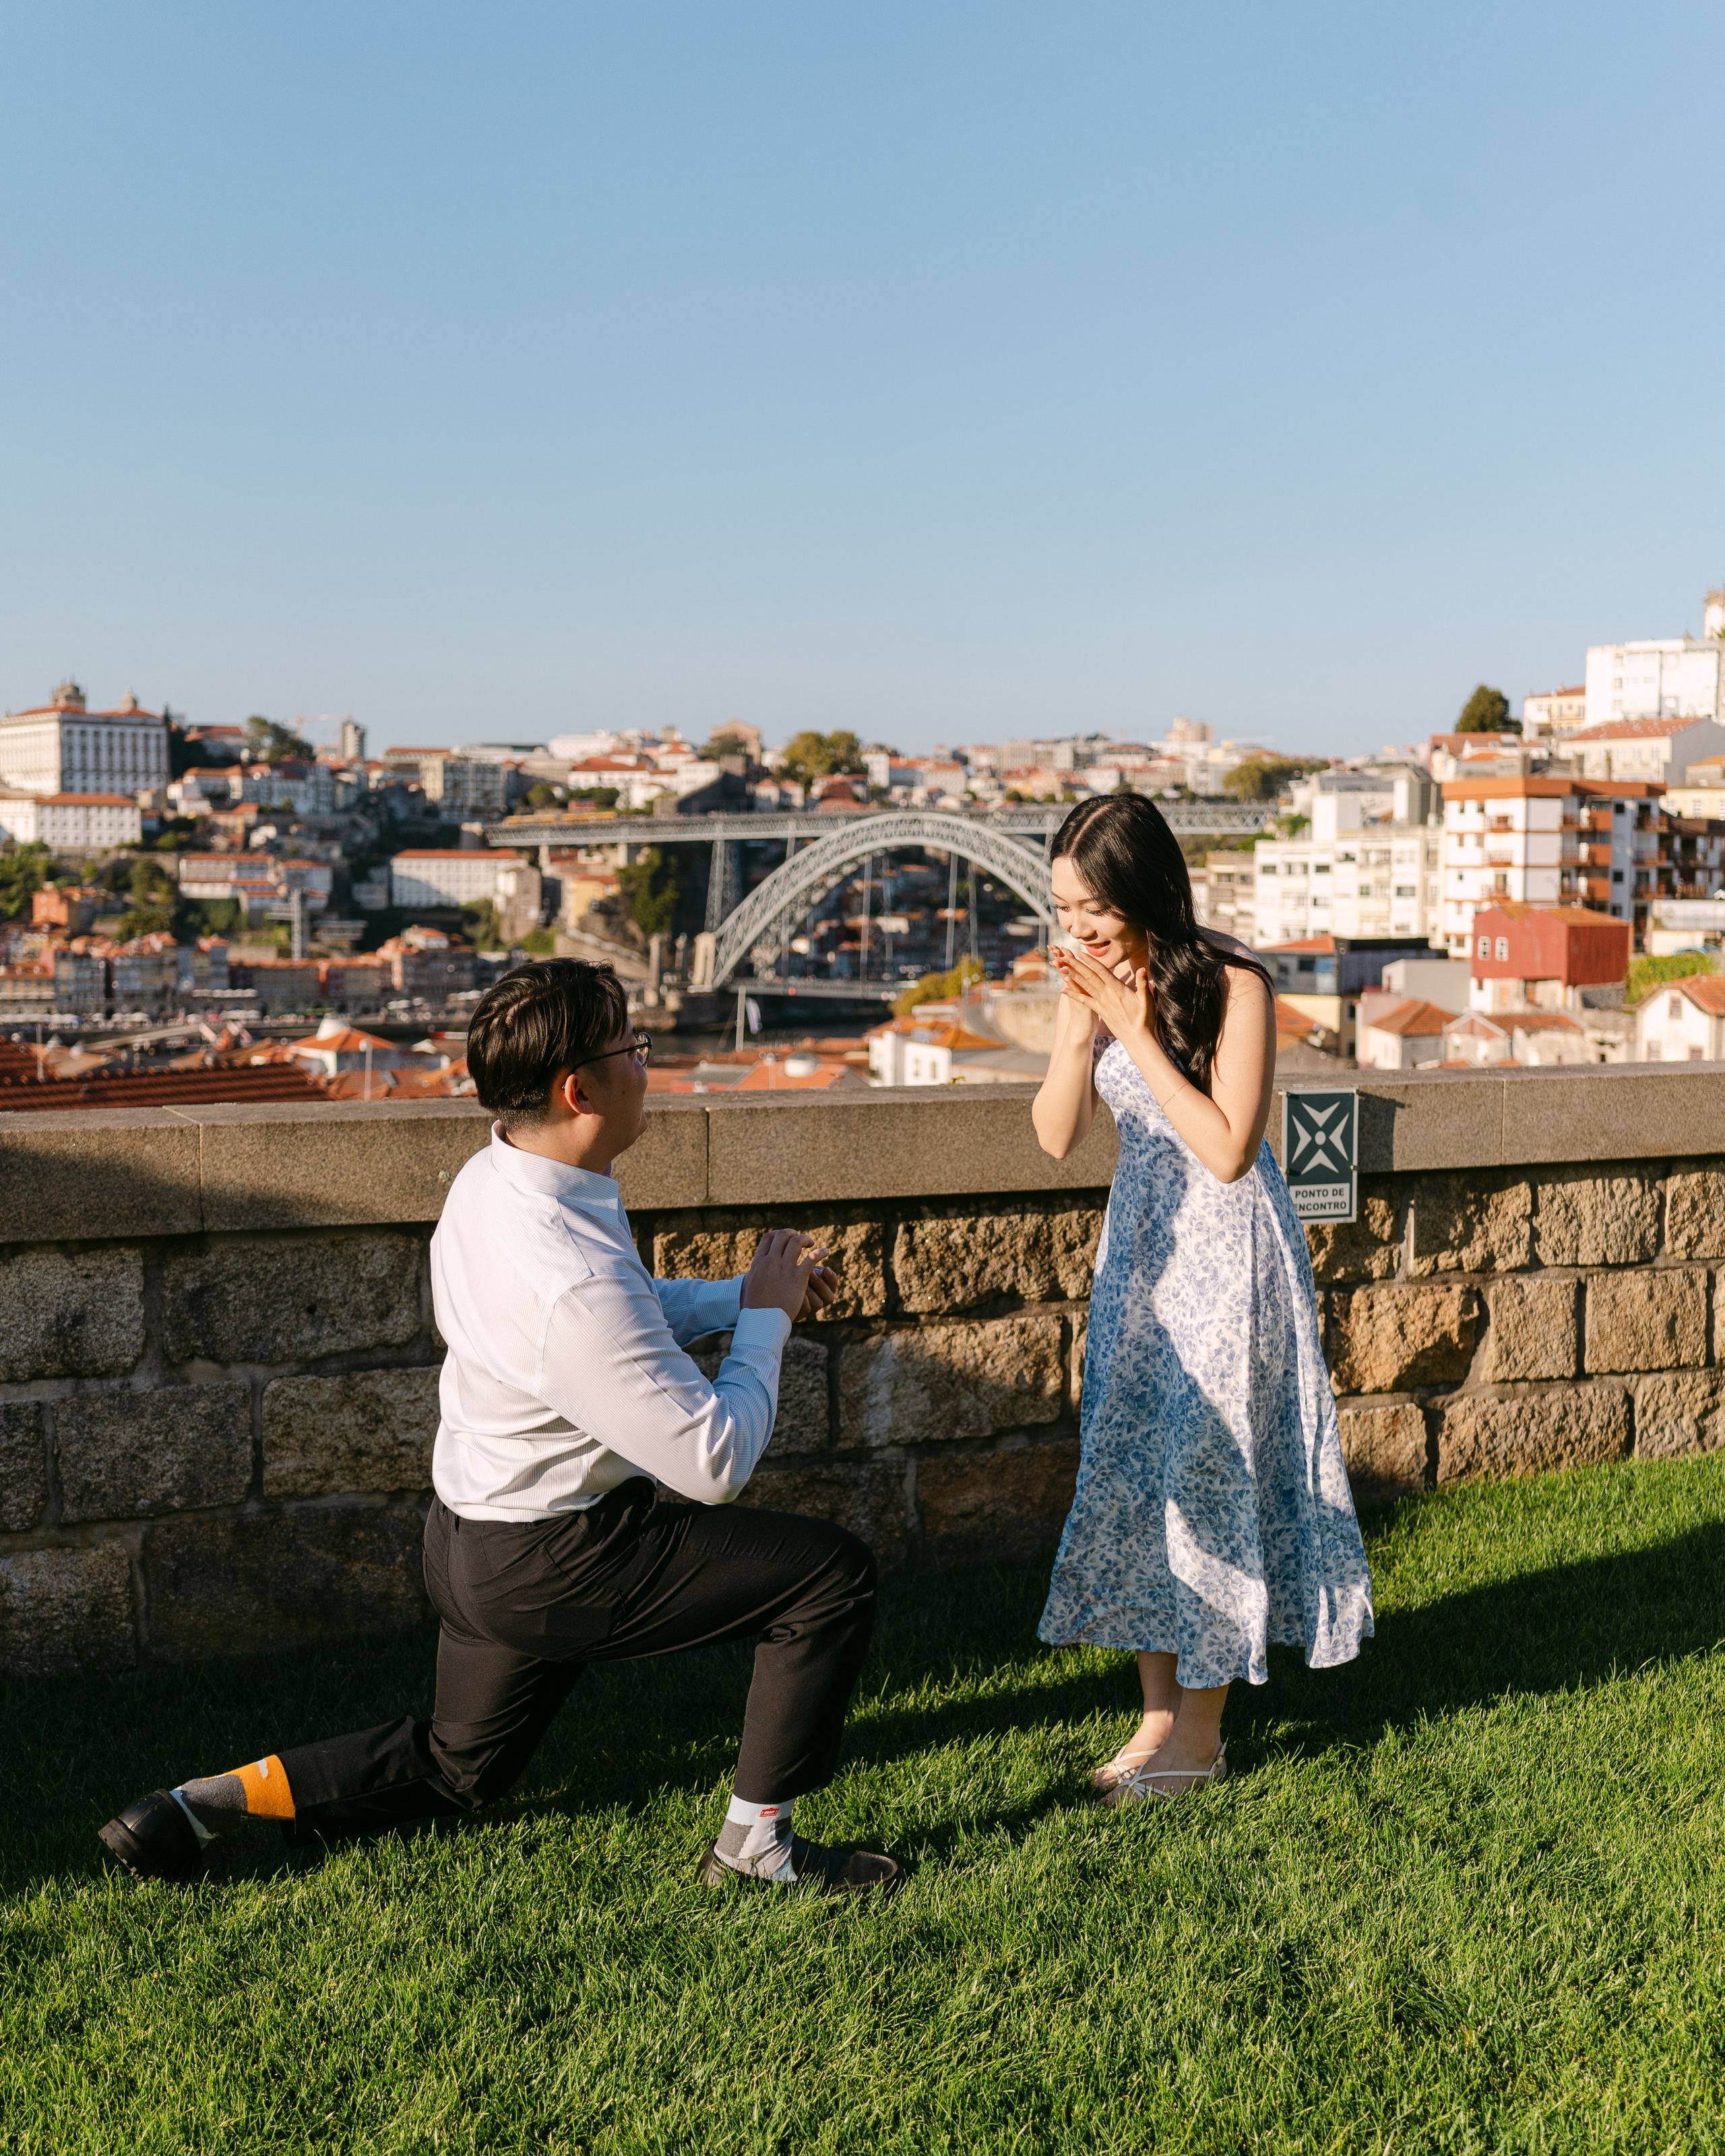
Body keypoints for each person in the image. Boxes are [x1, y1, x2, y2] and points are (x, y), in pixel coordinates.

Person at [100, 958, 899, 1894]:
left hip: (472, 1543)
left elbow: (617, 1320)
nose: (651, 1066)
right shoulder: (568, 1269)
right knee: (828, 1579)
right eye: (634, 1048)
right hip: (559, 1561)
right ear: (579, 1088)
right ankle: (756, 1850)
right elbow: (713, 1460)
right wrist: (767, 1322)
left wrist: (738, 1296)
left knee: (456, 1771)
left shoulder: (500, 1175)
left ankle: (191, 1809)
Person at [1031, 795, 1373, 1805]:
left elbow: (1227, 1150)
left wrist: (1134, 1032)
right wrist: (1071, 1029)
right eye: (1062, 907)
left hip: (1229, 1253)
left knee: (1212, 1467)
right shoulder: (1090, 986)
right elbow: (1056, 1137)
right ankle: (1154, 1718)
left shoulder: (1235, 985)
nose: (1079, 927)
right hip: (1142, 1250)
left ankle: (1203, 1736)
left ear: (1143, 890)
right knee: (1136, 1466)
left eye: (1094, 905)